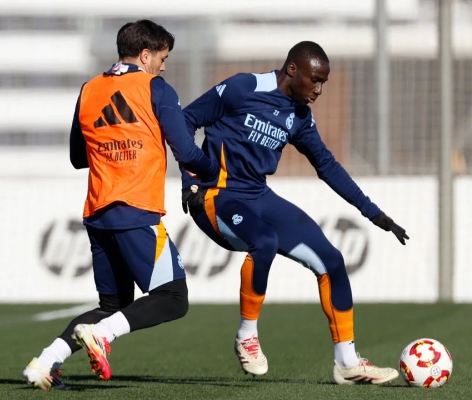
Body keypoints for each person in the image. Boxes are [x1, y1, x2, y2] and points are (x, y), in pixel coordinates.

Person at [181, 41, 409, 385]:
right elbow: (187, 120)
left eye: (323, 83)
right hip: (217, 196)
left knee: (331, 260)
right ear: (292, 70)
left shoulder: (300, 115)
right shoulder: (244, 87)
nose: (318, 90)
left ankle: (347, 363)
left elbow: (326, 165)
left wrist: (372, 212)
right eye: (314, 80)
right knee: (265, 241)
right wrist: (189, 181)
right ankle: (247, 336)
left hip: (258, 195)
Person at [23, 19, 219, 391]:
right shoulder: (155, 88)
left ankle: (45, 363)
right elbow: (187, 152)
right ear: (145, 55)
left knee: (112, 304)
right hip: (136, 208)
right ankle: (100, 335)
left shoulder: (89, 88)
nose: (164, 65)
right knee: (173, 298)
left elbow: (77, 157)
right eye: (161, 58)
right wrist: (215, 170)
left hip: (98, 212)